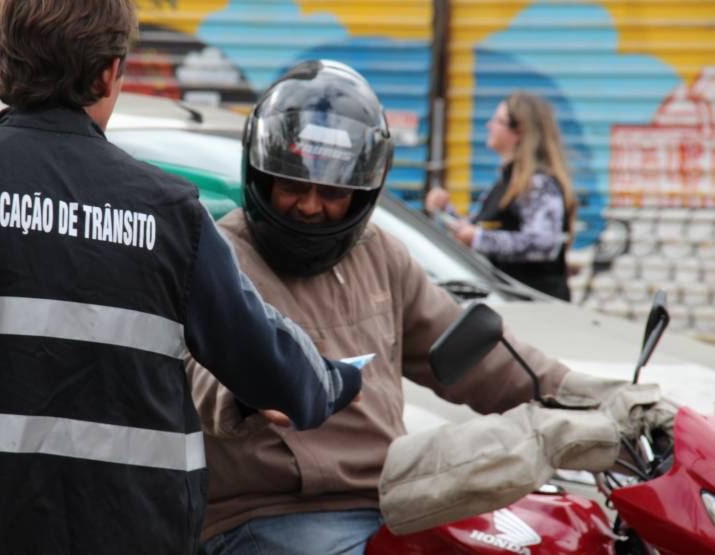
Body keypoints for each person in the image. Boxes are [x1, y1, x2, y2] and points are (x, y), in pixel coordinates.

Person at [0, 3, 360, 554]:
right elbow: (265, 357)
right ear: (108, 72)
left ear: (1, 59)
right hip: (130, 532)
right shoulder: (170, 212)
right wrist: (334, 381)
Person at [186, 61, 671, 555]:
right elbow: (200, 379)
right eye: (292, 186)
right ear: (260, 175)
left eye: (332, 192)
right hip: (276, 515)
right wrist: (255, 388)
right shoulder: (219, 259)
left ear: (361, 193)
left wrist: (603, 399)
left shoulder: (381, 256)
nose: (310, 207)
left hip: (395, 501)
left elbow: (476, 355)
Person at [425, 92, 577, 300]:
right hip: (512, 303)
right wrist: (447, 211)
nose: (489, 125)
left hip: (537, 310)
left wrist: (478, 238)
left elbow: (543, 245)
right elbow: (482, 229)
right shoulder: (506, 183)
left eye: (497, 120)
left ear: (519, 131)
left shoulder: (539, 184)